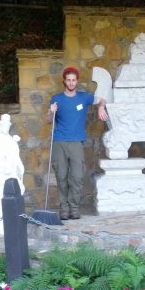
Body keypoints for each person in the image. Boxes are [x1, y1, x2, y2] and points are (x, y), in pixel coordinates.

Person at [47, 67, 108, 220]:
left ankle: (74, 208)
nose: (71, 82)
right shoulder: (57, 99)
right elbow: (49, 121)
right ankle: (64, 208)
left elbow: (102, 99)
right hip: (59, 141)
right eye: (68, 80)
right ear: (64, 81)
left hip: (76, 142)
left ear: (77, 81)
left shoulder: (84, 97)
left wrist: (101, 107)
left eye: (74, 80)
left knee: (77, 176)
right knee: (61, 176)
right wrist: (51, 111)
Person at [0, 114, 25, 236]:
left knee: (15, 193)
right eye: (4, 126)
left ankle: (12, 218)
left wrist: (14, 144)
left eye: (8, 126)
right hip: (2, 171)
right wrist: (5, 157)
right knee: (1, 195)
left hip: (12, 171)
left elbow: (15, 154)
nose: (6, 128)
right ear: (0, 126)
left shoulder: (10, 139)